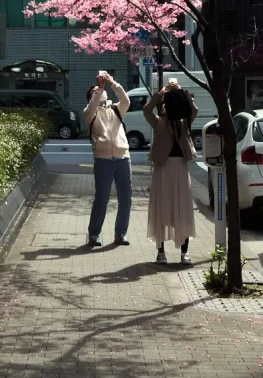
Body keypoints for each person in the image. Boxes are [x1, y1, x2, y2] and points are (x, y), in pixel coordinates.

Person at [143, 81, 198, 265]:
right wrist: (162, 92)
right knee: (162, 209)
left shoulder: (183, 123)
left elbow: (193, 110)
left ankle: (184, 253)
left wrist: (183, 93)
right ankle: (161, 253)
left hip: (178, 169)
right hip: (164, 169)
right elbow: (147, 109)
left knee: (182, 210)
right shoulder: (160, 123)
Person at [84, 73, 132, 247]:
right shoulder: (90, 114)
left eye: (101, 90)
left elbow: (126, 101)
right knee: (102, 198)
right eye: (96, 91)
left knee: (125, 198)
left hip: (122, 157)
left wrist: (113, 83)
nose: (100, 91)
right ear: (91, 98)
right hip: (103, 159)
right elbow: (91, 108)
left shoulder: (116, 109)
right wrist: (99, 90)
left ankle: (120, 234)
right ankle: (94, 234)